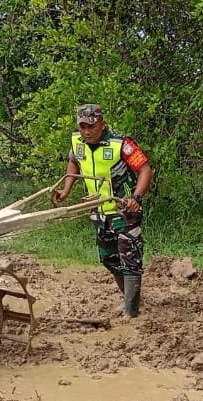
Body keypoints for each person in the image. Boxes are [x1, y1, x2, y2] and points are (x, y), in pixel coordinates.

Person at [51, 103, 154, 317]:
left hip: (124, 209)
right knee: (109, 257)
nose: (87, 131)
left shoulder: (120, 144)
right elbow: (74, 162)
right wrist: (66, 190)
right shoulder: (78, 143)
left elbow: (145, 169)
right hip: (98, 211)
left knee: (130, 258)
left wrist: (136, 197)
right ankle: (131, 300)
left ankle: (131, 312)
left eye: (91, 126)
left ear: (102, 123)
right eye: (82, 127)